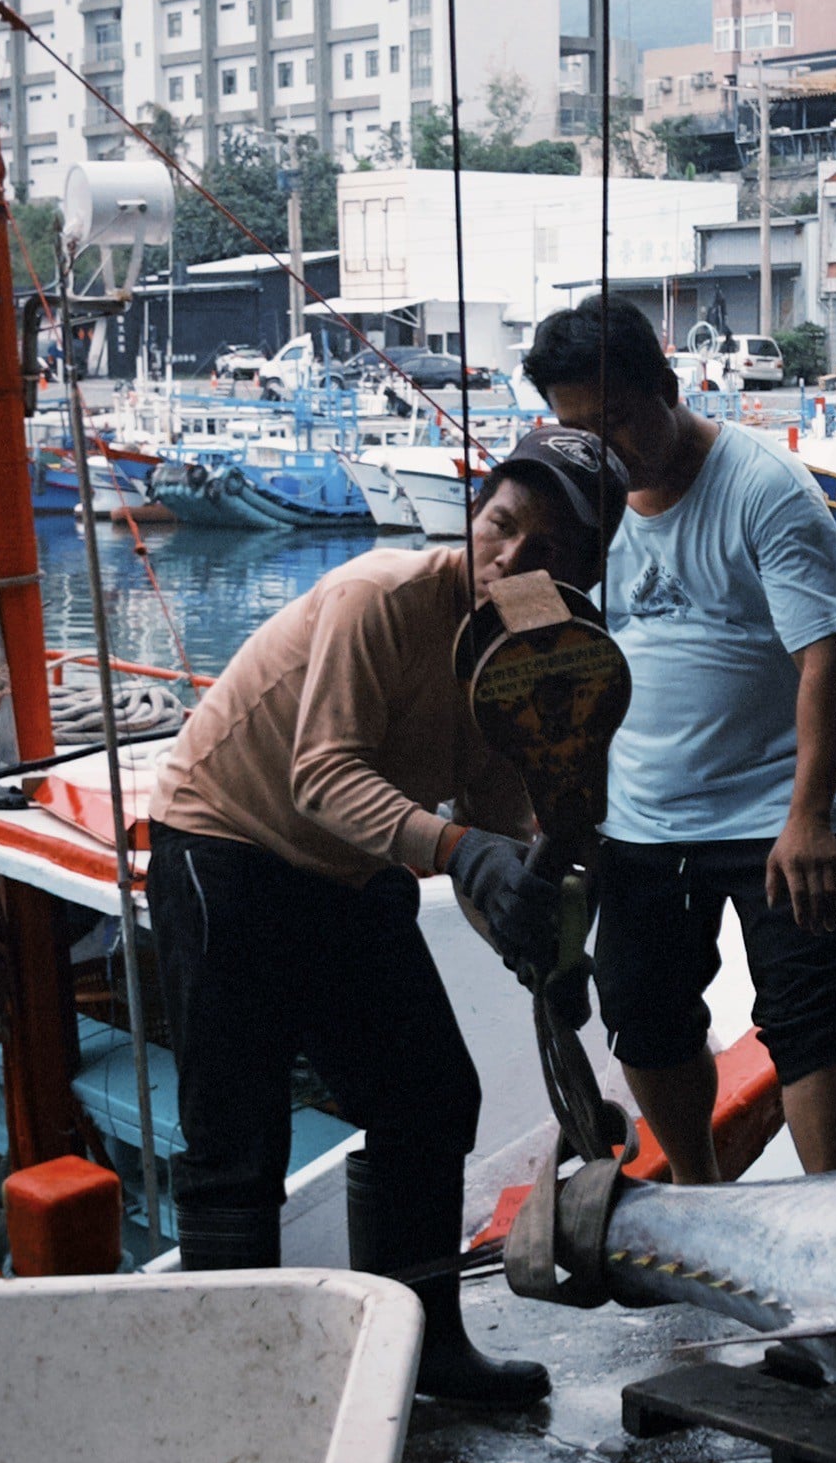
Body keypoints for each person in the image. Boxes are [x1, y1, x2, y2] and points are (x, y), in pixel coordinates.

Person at [146, 427, 626, 1408]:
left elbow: (496, 823)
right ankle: (236, 1395)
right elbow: (322, 777)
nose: (510, 559)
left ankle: (423, 1349)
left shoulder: (527, 649)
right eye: (499, 527)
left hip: (351, 871)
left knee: (429, 1094)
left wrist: (541, 950)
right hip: (226, 842)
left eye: (545, 553)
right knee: (236, 1141)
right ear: (473, 516)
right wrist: (460, 854)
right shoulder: (383, 595)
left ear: (585, 573)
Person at [522, 295, 836, 1185]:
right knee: (641, 1012)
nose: (606, 448)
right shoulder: (583, 509)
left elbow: (825, 663)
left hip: (770, 809)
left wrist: (807, 821)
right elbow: (545, 652)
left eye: (617, 420)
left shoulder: (764, 489)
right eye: (579, 429)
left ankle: (834, 1221)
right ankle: (697, 1187)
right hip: (641, 815)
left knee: (808, 1016)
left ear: (668, 388)